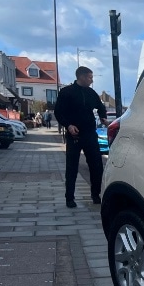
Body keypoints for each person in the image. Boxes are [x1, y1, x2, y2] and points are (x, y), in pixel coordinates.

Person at [54, 66, 107, 208]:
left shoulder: (91, 93)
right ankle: (69, 198)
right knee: (72, 167)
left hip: (90, 134)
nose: (92, 80)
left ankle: (96, 195)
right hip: (74, 135)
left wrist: (103, 117)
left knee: (96, 166)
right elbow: (58, 112)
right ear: (81, 77)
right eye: (90, 77)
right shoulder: (67, 92)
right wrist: (68, 125)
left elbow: (100, 107)